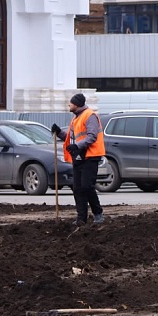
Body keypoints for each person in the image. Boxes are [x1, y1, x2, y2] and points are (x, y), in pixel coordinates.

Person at [52, 93, 105, 227]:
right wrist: (59, 133)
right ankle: (81, 218)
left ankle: (98, 214)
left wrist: (77, 146)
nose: (69, 105)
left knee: (87, 186)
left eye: (70, 103)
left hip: (90, 156)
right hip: (79, 157)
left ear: (76, 104)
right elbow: (72, 139)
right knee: (78, 188)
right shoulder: (76, 119)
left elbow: (92, 137)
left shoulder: (90, 116)